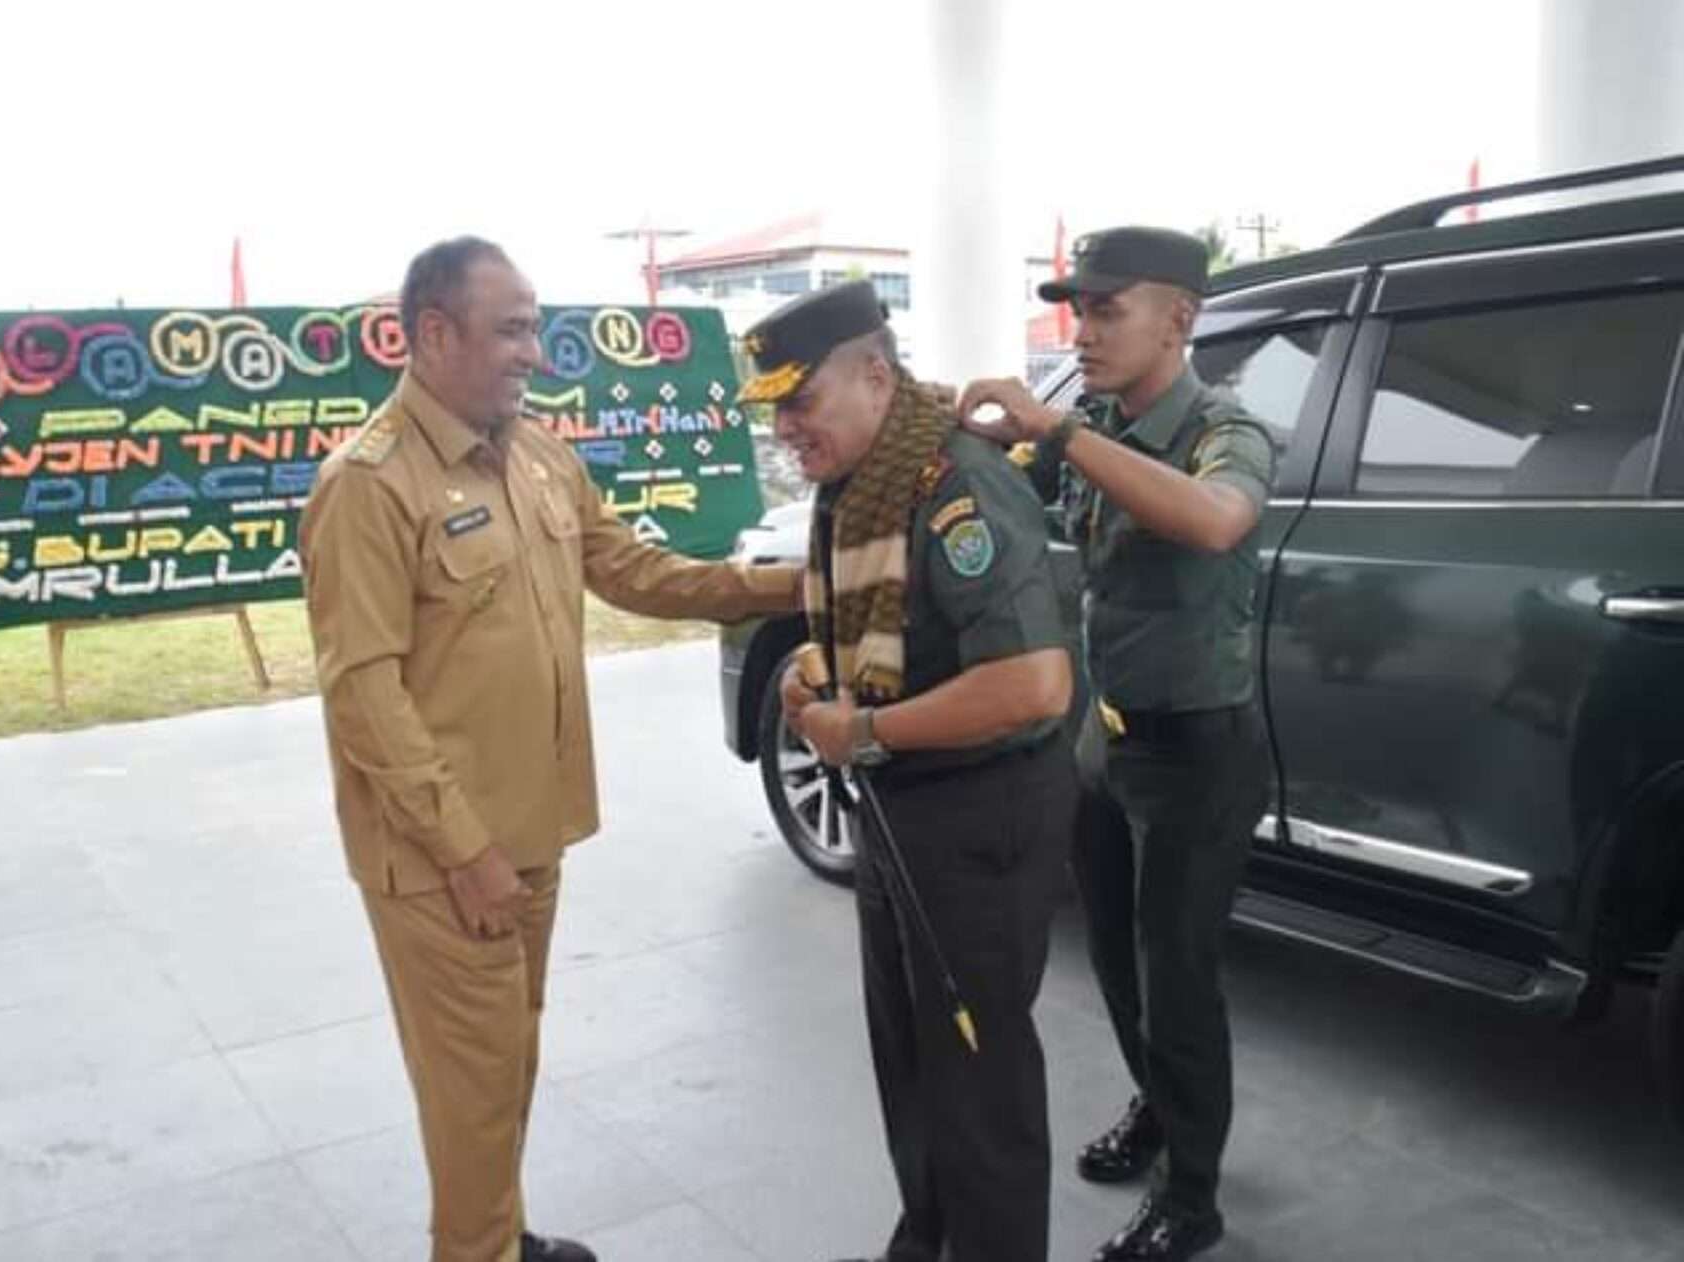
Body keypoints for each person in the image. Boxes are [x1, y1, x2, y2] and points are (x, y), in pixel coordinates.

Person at [299, 236, 800, 1262]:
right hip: (447, 859)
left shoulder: (534, 453)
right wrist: (464, 851)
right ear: (434, 333)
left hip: (528, 834)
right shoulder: (368, 484)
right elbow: (364, 694)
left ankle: (501, 1234)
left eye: (537, 326)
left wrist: (789, 585)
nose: (535, 350)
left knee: (503, 1063)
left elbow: (633, 570)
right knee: (473, 1085)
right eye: (514, 328)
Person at [960, 227, 1277, 1262]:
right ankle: (1160, 1103)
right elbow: (1022, 500)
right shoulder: (1093, 422)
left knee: (1179, 975)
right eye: (1077, 309)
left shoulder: (1224, 429)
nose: (1082, 330)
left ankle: (1193, 1197)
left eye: (1107, 310)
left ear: (1179, 318)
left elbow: (1214, 521)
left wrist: (1056, 430)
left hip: (1199, 753)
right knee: (1118, 964)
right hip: (1107, 741)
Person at [757, 281, 1079, 1262]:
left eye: (798, 399)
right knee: (910, 1053)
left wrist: (869, 728)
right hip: (899, 808)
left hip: (977, 812)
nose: (784, 428)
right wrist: (824, 673)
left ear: (874, 374)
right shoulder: (860, 485)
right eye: (773, 407)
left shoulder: (956, 486)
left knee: (979, 1076)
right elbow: (877, 632)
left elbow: (1032, 682)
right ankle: (927, 1239)